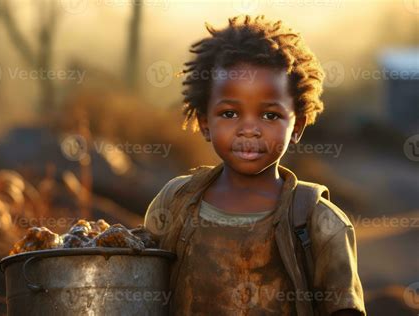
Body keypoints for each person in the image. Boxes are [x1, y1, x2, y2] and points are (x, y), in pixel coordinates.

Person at [144, 15, 365, 316]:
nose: (249, 129)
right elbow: (139, 289)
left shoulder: (319, 222)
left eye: (270, 115)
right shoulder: (175, 202)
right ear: (204, 122)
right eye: (230, 114)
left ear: (297, 125)